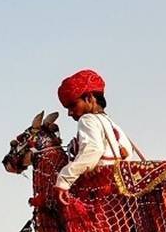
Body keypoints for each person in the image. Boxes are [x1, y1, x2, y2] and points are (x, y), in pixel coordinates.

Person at [54, 69, 136, 204]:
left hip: (101, 196)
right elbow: (127, 155)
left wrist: (64, 180)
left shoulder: (87, 119)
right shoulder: (112, 124)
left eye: (72, 105)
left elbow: (93, 150)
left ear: (89, 98)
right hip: (121, 197)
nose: (69, 113)